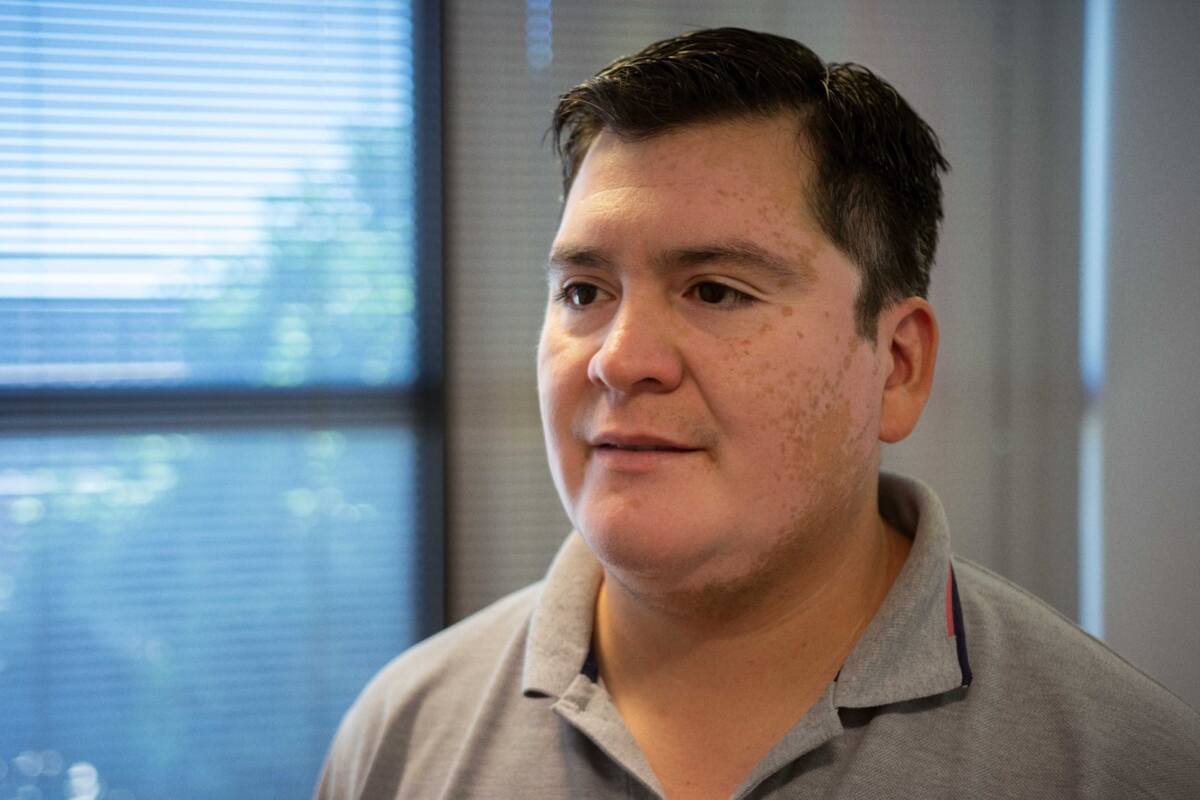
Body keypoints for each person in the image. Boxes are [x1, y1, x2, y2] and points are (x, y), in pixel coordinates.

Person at [316, 27, 1200, 800]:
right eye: (584, 291)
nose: (618, 359)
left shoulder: (1121, 764)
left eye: (714, 290)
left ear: (896, 367)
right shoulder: (403, 735)